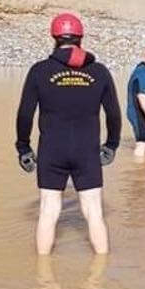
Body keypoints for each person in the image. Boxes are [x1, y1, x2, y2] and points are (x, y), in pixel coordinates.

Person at [15, 13, 121, 255]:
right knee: (94, 212)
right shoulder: (99, 72)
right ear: (80, 38)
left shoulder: (40, 71)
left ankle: (43, 274)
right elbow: (113, 114)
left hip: (52, 150)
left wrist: (23, 148)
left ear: (54, 38)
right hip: (87, 151)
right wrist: (111, 145)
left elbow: (25, 114)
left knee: (48, 211)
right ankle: (100, 272)